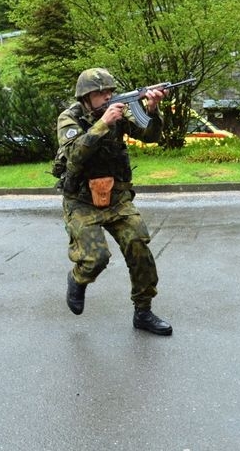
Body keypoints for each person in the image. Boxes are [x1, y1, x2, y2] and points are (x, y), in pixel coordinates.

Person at [55, 68, 173, 336]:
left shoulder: (120, 111)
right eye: (101, 93)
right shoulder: (69, 118)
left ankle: (143, 312)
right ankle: (77, 279)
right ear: (86, 97)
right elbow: (74, 156)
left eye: (110, 91)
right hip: (81, 200)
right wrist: (103, 124)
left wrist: (152, 109)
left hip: (116, 197)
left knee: (138, 245)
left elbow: (150, 136)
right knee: (96, 258)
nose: (108, 96)